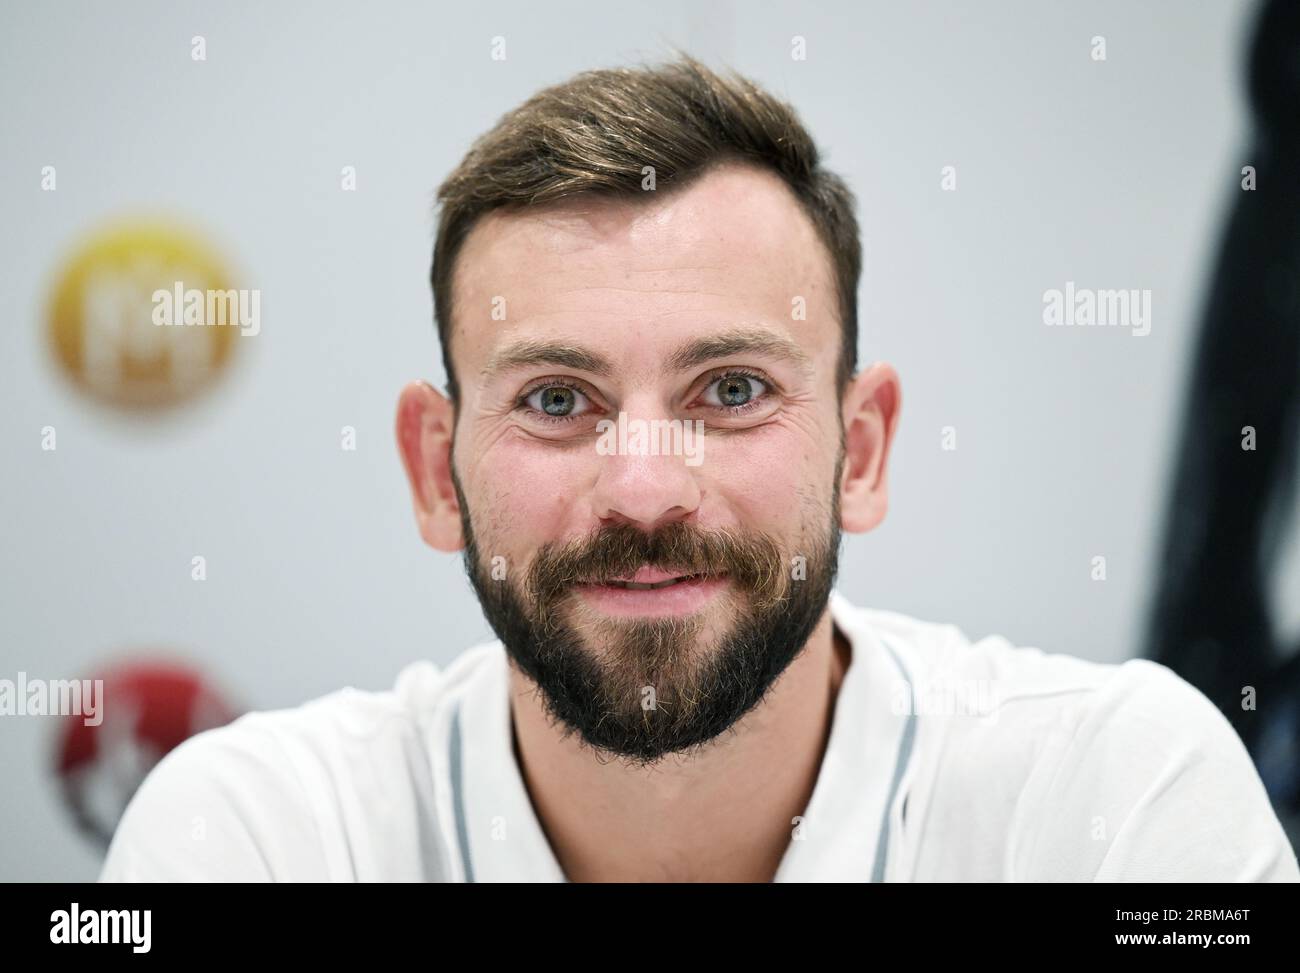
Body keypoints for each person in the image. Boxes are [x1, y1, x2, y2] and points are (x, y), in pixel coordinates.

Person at [100, 56, 1298, 882]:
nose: (642, 488)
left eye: (731, 391)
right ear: (436, 471)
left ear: (862, 450)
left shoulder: (1117, 800)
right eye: (556, 399)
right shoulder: (255, 837)